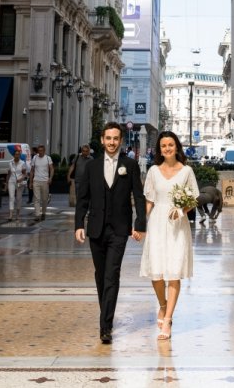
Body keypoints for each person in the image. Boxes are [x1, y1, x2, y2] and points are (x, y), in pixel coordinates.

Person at [75, 122, 146, 344]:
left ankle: (105, 325)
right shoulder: (92, 167)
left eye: (116, 138)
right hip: (95, 228)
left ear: (121, 140)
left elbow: (139, 195)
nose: (112, 142)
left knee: (111, 274)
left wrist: (140, 223)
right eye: (108, 138)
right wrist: (79, 224)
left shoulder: (130, 165)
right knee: (100, 275)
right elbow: (83, 198)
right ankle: (106, 315)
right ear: (102, 140)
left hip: (119, 229)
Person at [140, 130, 199, 340]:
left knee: (173, 272)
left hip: (177, 225)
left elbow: (193, 199)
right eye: (163, 145)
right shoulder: (153, 171)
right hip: (157, 223)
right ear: (159, 149)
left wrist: (182, 210)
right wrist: (139, 224)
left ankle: (168, 320)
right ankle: (162, 305)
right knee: (156, 273)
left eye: (171, 145)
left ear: (177, 147)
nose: (167, 148)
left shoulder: (187, 172)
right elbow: (149, 200)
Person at [29, 144, 54, 222]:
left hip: (45, 181)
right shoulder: (35, 158)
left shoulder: (47, 158)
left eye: (41, 151)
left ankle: (43, 213)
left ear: (44, 151)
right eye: (39, 151)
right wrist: (30, 181)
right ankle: (37, 215)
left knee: (44, 199)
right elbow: (32, 170)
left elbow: (52, 169)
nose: (40, 152)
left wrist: (50, 178)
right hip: (36, 180)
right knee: (36, 198)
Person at [5, 146, 27, 221]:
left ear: (19, 155)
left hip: (20, 183)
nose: (17, 156)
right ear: (13, 155)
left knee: (18, 198)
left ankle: (18, 214)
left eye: (18, 154)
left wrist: (21, 178)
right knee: (11, 197)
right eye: (16, 154)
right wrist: (6, 183)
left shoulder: (22, 163)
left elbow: (25, 174)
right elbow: (8, 173)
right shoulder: (10, 163)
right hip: (11, 181)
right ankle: (10, 215)